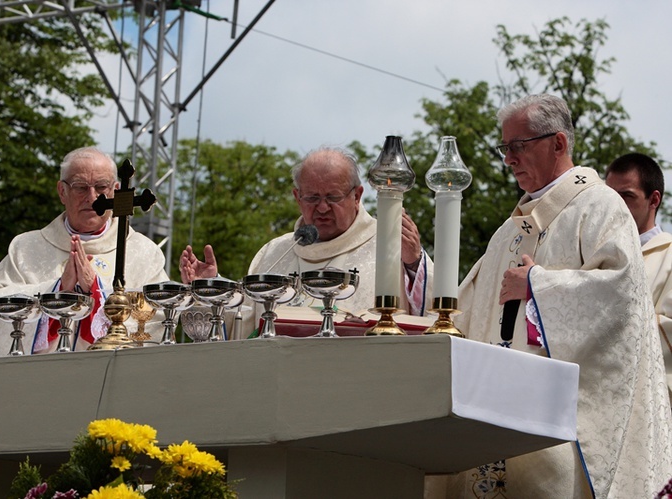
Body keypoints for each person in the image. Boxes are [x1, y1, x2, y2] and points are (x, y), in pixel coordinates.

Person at [429, 95, 672, 498]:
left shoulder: (599, 205)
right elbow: (469, 310)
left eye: (517, 146)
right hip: (496, 414)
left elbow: (621, 298)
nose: (508, 158)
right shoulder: (509, 231)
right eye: (504, 148)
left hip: (560, 427)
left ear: (558, 143)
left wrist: (538, 285)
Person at [179, 147, 433, 339]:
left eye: (332, 197)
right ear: (297, 198)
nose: (322, 208)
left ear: (356, 196)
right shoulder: (274, 254)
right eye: (312, 197)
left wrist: (412, 263)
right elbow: (243, 326)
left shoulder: (391, 245)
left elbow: (430, 313)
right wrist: (211, 288)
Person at [0, 147, 169, 355]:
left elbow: (157, 323)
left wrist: (96, 290)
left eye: (101, 187)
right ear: (62, 191)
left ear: (115, 190)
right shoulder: (25, 248)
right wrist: (57, 290)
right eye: (80, 187)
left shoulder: (143, 253)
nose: (92, 197)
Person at [605, 152, 672, 402]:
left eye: (627, 196)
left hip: (651, 402)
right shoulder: (595, 256)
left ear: (654, 199)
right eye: (610, 196)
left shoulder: (669, 255)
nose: (616, 206)